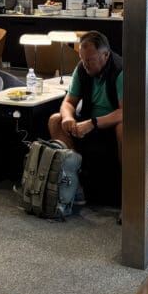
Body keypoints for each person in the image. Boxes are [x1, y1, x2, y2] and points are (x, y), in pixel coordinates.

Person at [47, 31, 123, 203]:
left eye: (89, 60)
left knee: (123, 128)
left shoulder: (120, 71)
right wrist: (68, 118)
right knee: (55, 120)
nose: (85, 64)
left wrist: (93, 123)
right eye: (82, 59)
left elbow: (125, 112)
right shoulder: (82, 69)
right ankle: (75, 185)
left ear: (105, 55)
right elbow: (68, 103)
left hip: (109, 123)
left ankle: (129, 193)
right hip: (89, 121)